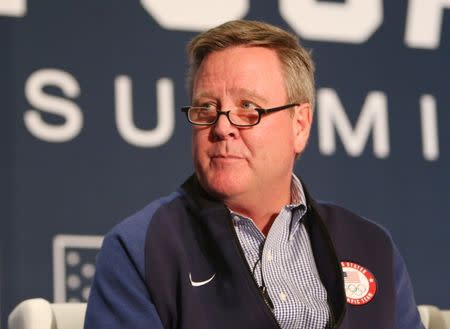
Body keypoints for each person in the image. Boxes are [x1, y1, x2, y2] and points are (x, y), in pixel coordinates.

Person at [84, 20, 424, 329]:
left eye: (249, 109)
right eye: (206, 108)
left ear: (300, 125)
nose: (221, 127)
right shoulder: (142, 248)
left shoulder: (371, 246)